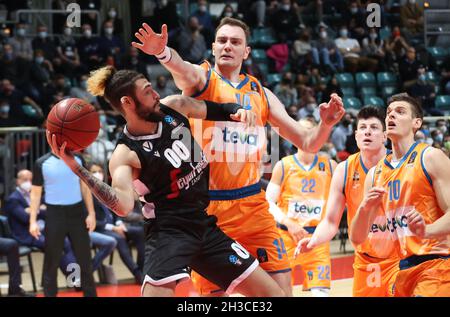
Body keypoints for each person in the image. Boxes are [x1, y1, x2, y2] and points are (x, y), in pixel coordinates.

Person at [131, 17, 345, 296]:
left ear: (246, 51)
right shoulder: (202, 80)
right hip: (209, 211)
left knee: (279, 294)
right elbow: (182, 70)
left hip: (253, 207)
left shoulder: (262, 94)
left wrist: (326, 124)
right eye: (222, 41)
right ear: (213, 47)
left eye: (235, 42)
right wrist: (163, 53)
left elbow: (307, 141)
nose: (227, 46)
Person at [47, 65, 285, 297]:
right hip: (169, 234)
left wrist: (236, 110)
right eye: (147, 91)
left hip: (204, 225)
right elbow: (123, 206)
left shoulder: (173, 107)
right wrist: (76, 168)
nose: (156, 94)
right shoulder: (125, 154)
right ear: (127, 103)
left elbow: (214, 109)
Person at [351, 93, 450, 296]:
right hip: (402, 268)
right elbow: (357, 238)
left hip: (437, 264)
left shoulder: (431, 157)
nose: (391, 116)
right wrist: (364, 208)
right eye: (388, 113)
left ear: (417, 123)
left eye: (400, 112)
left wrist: (427, 231)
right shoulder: (375, 174)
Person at [295, 106, 400, 297]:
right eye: (363, 127)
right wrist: (314, 240)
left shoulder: (399, 165)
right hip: (366, 260)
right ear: (356, 135)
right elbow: (330, 221)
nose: (368, 131)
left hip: (400, 258)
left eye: (374, 127)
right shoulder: (344, 170)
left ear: (385, 136)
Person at [266, 118, 336, 297]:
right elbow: (268, 202)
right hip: (285, 237)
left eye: (309, 131)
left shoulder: (330, 166)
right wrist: (289, 222)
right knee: (281, 292)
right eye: (300, 131)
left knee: (321, 292)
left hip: (317, 239)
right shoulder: (283, 165)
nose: (304, 135)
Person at [29, 151, 97, 297]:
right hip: (54, 214)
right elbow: (35, 194)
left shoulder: (78, 159)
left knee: (85, 260)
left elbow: (85, 187)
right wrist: (32, 221)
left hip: (77, 214)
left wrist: (91, 213)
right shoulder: (41, 163)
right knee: (51, 262)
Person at [5, 169, 77, 278]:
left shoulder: (35, 194)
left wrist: (33, 209)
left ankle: (76, 277)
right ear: (18, 181)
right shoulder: (13, 199)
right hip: (27, 234)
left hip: (43, 230)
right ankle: (75, 278)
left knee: (66, 241)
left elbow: (48, 212)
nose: (28, 182)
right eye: (25, 180)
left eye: (30, 179)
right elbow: (25, 218)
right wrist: (39, 209)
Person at [90, 162, 144, 283]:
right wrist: (113, 228)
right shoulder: (87, 193)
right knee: (118, 238)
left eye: (100, 171)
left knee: (140, 231)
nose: (98, 174)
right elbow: (92, 220)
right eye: (94, 172)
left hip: (116, 226)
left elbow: (116, 211)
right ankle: (137, 273)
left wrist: (119, 223)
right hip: (101, 228)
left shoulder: (107, 189)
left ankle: (142, 269)